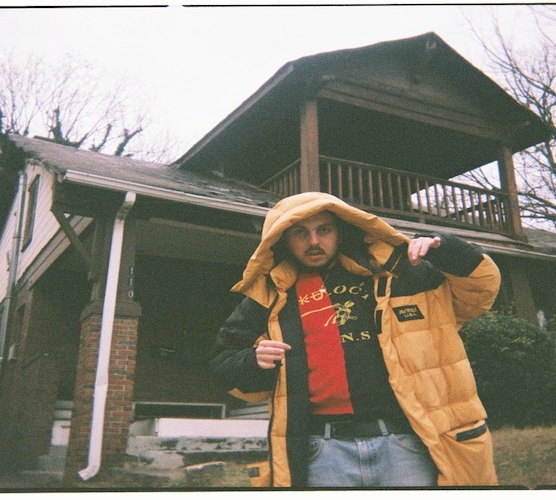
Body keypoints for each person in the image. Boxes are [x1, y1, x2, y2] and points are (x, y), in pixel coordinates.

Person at [211, 192, 501, 488]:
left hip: (406, 444)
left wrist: (447, 250)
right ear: (283, 239)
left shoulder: (401, 272)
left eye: (324, 229)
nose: (314, 241)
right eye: (300, 232)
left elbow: (480, 293)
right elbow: (223, 363)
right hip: (322, 452)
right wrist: (254, 361)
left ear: (341, 230)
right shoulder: (268, 296)